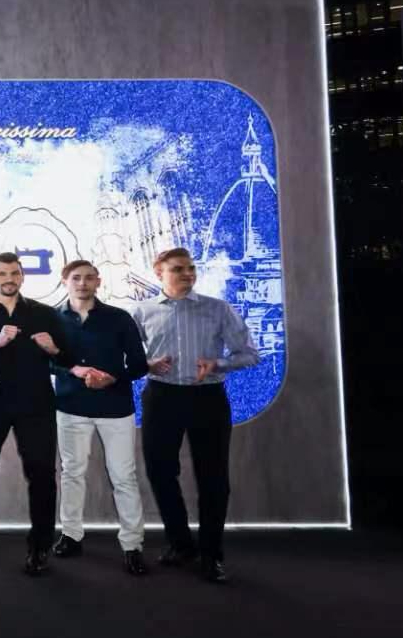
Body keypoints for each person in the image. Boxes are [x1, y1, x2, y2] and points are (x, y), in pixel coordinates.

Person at [131, 248, 260, 584]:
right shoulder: (141, 312)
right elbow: (125, 356)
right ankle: (180, 544)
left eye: (191, 268)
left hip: (208, 399)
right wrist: (146, 364)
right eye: (178, 269)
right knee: (160, 472)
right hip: (162, 397)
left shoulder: (218, 309)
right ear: (159, 272)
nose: (188, 274)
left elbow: (250, 354)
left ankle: (211, 555)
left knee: (213, 477)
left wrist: (218, 363)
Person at [0, 251, 72, 575]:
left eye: (14, 273)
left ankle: (40, 545)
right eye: (2, 274)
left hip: (35, 405)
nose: (9, 279)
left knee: (42, 473)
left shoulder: (44, 313)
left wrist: (53, 350)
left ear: (22, 276)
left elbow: (67, 358)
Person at [50, 259, 152, 575]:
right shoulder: (51, 319)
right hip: (71, 406)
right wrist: (73, 370)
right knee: (71, 473)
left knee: (124, 476)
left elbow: (139, 364)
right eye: (76, 278)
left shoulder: (119, 318)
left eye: (88, 278)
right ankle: (71, 535)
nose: (82, 283)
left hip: (115, 407)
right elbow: (43, 361)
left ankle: (132, 545)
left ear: (98, 281)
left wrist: (112, 378)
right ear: (65, 281)